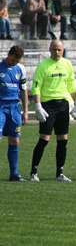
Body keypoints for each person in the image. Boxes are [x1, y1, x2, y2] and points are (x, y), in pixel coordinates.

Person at [29, 40, 76, 182]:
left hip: (63, 105)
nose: (56, 52)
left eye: (59, 50)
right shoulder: (43, 66)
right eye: (54, 49)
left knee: (63, 140)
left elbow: (71, 84)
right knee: (44, 139)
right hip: (48, 106)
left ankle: (59, 174)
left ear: (63, 50)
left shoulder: (67, 64)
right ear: (49, 50)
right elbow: (36, 86)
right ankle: (33, 172)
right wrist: (38, 105)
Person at [0, 45, 28, 181]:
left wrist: (26, 111)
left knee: (14, 139)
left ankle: (14, 174)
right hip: (1, 105)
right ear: (8, 55)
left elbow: (23, 90)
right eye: (13, 60)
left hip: (15, 107)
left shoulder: (21, 69)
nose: (14, 63)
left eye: (17, 61)